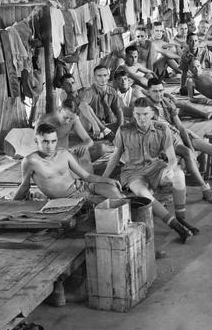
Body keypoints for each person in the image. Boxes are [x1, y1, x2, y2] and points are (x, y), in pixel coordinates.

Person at [102, 97, 198, 243]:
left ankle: (181, 218)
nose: (141, 118)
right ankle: (176, 226)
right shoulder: (124, 130)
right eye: (138, 114)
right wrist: (103, 179)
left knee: (179, 175)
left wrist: (171, 169)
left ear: (152, 113)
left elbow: (171, 157)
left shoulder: (162, 128)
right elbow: (115, 156)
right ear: (133, 114)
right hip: (133, 172)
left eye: (145, 114)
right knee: (144, 194)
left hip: (155, 168)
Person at [13, 123, 123, 201]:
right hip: (69, 198)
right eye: (45, 142)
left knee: (114, 192)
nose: (50, 146)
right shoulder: (31, 161)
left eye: (53, 141)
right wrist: (11, 203)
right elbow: (24, 185)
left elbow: (86, 176)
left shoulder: (63, 153)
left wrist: (108, 180)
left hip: (83, 186)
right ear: (36, 141)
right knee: (107, 203)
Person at [39, 98, 96, 172]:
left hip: (68, 153)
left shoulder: (74, 119)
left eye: (71, 119)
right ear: (59, 110)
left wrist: (82, 146)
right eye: (65, 117)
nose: (68, 121)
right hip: (51, 158)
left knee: (101, 149)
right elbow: (38, 148)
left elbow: (89, 141)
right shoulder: (45, 121)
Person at [80, 65, 124, 132]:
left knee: (124, 122)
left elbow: (118, 109)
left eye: (105, 75)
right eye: (99, 76)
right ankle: (102, 131)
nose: (103, 79)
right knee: (86, 107)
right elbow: (82, 106)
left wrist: (121, 127)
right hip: (91, 124)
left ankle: (105, 131)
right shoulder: (89, 91)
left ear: (108, 76)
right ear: (94, 77)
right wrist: (94, 123)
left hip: (104, 123)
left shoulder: (112, 91)